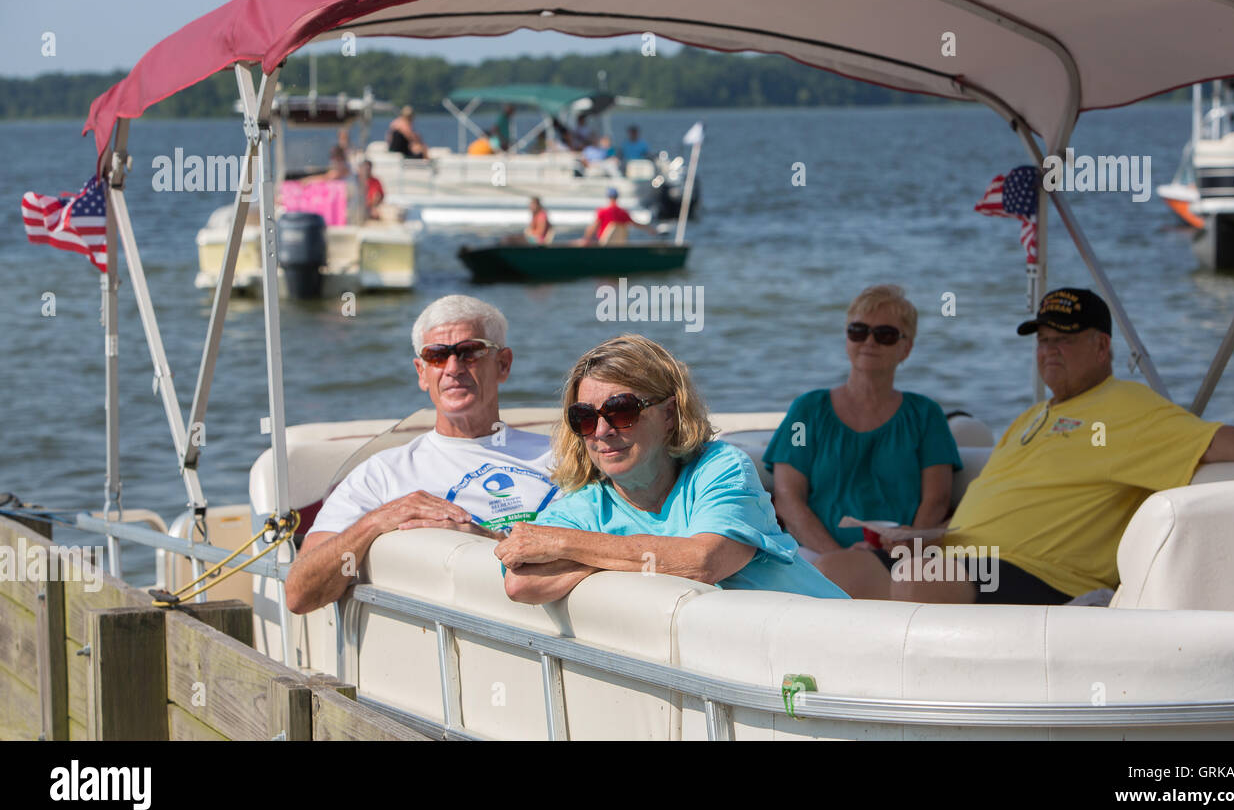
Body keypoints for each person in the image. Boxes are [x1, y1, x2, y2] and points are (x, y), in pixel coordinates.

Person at [873, 287, 1234, 605]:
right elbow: (997, 510)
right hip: (966, 558)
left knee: (917, 579)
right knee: (838, 570)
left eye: (1065, 339)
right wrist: (926, 535)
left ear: (1101, 347)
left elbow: (1205, 439)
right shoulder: (1031, 416)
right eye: (1043, 340)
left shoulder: (1127, 406)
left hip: (1045, 576)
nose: (1050, 350)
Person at [495, 335, 849, 603]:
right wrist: (653, 558)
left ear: (668, 414)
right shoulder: (582, 508)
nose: (602, 431)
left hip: (833, 643)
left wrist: (563, 544)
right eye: (584, 417)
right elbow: (522, 582)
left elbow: (703, 563)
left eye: (621, 411)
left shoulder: (720, 468)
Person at [284, 296, 556, 614]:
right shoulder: (382, 475)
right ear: (422, 372)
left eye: (470, 352)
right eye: (437, 356)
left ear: (503, 364)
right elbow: (300, 593)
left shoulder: (560, 458)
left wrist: (490, 539)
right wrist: (376, 521)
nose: (453, 368)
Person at [763, 285, 961, 598]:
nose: (869, 341)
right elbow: (788, 498)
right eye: (858, 331)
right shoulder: (807, 411)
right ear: (847, 340)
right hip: (817, 553)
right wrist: (836, 555)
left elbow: (936, 499)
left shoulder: (926, 415)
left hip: (900, 558)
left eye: (884, 334)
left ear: (906, 348)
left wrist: (909, 546)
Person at [578, 188, 653, 245]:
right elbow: (635, 224)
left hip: (604, 244)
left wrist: (586, 238)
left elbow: (594, 227)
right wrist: (650, 229)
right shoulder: (623, 212)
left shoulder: (603, 211)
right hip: (620, 244)